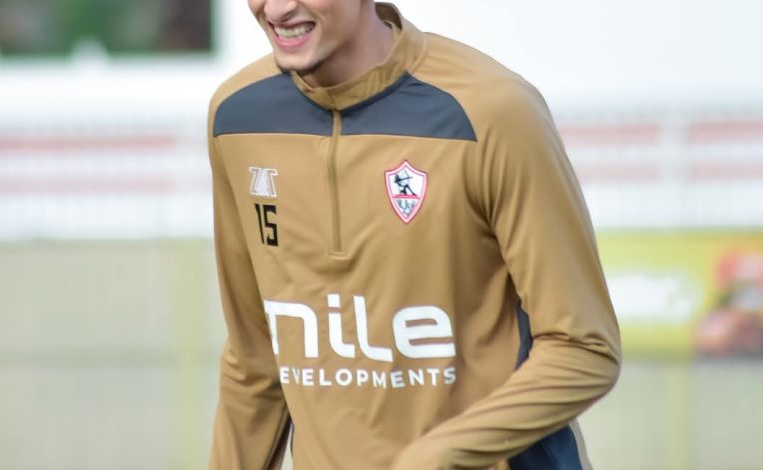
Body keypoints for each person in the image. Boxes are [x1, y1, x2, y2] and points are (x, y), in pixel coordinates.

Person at [206, 1, 621, 469]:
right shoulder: (236, 117)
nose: (277, 8)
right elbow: (255, 362)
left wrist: (438, 455)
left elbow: (583, 348)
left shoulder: (492, 110)